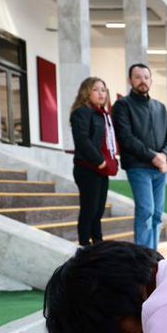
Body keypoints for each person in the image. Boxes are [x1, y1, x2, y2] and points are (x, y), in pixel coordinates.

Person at [113, 63, 167, 250]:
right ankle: (141, 257)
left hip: (160, 169)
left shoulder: (159, 107)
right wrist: (152, 157)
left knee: (157, 214)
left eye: (146, 77)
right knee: (146, 211)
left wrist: (164, 155)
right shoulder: (122, 105)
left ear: (151, 80)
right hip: (138, 167)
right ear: (129, 80)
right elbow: (126, 138)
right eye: (138, 77)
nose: (143, 81)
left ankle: (152, 255)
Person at [69, 77, 119, 246]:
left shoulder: (103, 115)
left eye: (104, 90)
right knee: (89, 210)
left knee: (98, 211)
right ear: (86, 92)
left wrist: (109, 162)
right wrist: (100, 161)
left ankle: (98, 244)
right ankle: (84, 245)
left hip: (100, 169)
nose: (101, 93)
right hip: (88, 168)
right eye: (96, 89)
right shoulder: (81, 113)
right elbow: (82, 140)